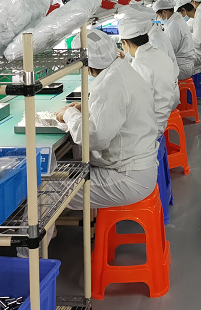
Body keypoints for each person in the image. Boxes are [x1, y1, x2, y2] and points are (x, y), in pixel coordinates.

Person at [57, 29, 158, 209]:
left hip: (127, 178)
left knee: (48, 191)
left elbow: (93, 138)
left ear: (86, 65)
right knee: (64, 172)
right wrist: (89, 106)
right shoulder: (122, 69)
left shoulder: (110, 85)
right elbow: (117, 107)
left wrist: (68, 113)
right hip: (138, 166)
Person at [118, 14, 179, 136]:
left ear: (126, 43)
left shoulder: (139, 65)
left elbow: (137, 104)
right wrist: (127, 60)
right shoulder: (158, 54)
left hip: (151, 127)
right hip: (163, 112)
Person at [154, 0, 194, 80]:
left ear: (164, 12)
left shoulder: (174, 25)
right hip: (183, 63)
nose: (158, 18)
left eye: (158, 15)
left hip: (182, 68)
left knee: (154, 76)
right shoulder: (175, 20)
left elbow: (170, 51)